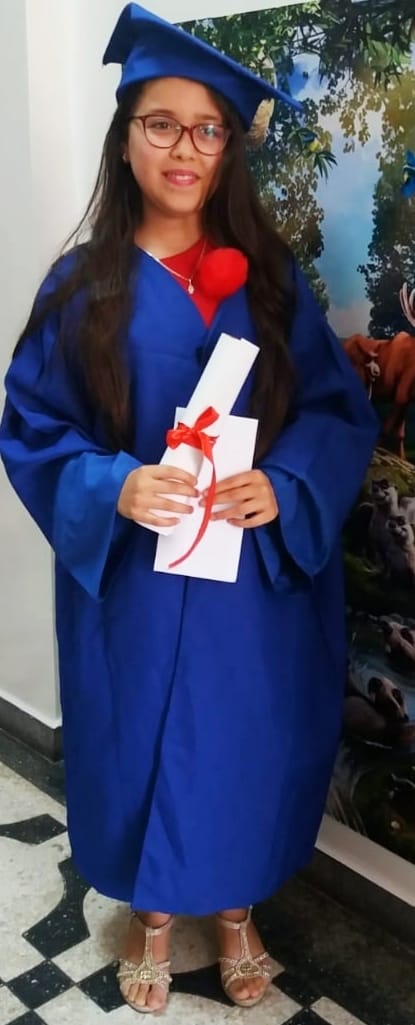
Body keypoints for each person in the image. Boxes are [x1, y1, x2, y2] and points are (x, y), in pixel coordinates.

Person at [0, 2, 379, 1015]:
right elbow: (33, 424)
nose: (184, 148)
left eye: (207, 129)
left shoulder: (270, 280)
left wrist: (286, 483)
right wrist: (112, 482)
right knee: (137, 742)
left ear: (227, 149)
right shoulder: (82, 286)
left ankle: (238, 912)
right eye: (161, 123)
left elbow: (333, 411)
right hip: (136, 576)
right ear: (125, 137)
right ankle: (153, 915)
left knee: (247, 742)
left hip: (252, 578)